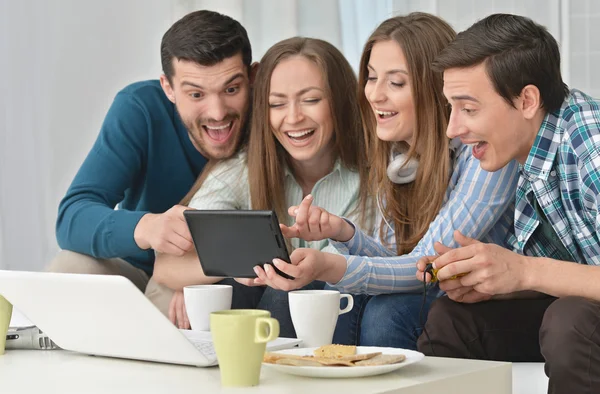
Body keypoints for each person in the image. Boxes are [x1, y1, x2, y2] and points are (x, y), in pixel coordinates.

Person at [244, 13, 519, 349]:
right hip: (429, 285)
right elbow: (392, 263)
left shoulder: (483, 152)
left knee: (387, 313)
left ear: (438, 88)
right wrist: (343, 232)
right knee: (292, 296)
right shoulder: (396, 156)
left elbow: (422, 268)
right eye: (371, 78)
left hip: (491, 302)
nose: (374, 95)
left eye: (396, 83)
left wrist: (331, 265)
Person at [414, 13, 600, 393]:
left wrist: (523, 271)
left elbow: (541, 274)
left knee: (570, 319)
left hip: (578, 324)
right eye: (452, 108)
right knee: (452, 320)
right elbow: (562, 272)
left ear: (527, 100)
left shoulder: (589, 145)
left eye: (468, 109)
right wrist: (491, 279)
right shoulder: (527, 153)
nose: (453, 129)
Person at [150, 37, 373, 337]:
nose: (293, 118)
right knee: (227, 290)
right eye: (276, 104)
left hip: (349, 306)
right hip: (273, 313)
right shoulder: (245, 168)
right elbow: (166, 268)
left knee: (291, 292)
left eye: (311, 100)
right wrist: (225, 267)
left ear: (339, 101)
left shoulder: (372, 171)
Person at [49, 10, 259, 311]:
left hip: (220, 275)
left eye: (231, 89)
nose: (217, 112)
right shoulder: (140, 109)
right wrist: (147, 227)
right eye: (196, 94)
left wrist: (192, 277)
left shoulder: (274, 116)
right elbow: (72, 217)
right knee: (67, 269)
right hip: (135, 269)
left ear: (252, 79)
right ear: (168, 88)